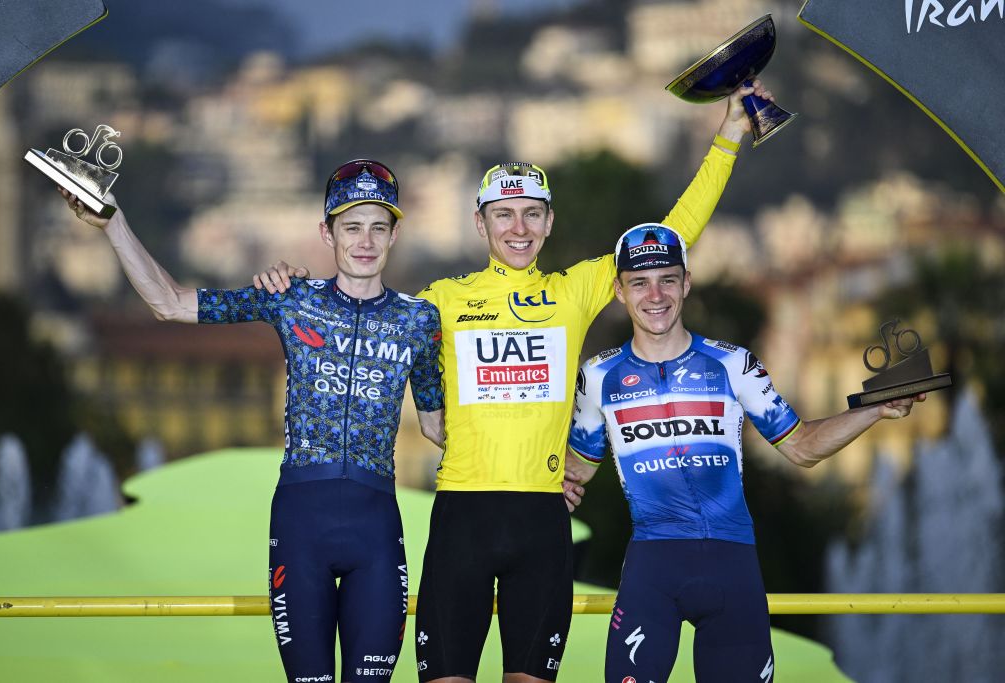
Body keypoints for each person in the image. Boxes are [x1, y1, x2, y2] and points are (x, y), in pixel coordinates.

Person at [255, 81, 774, 683]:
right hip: (461, 518)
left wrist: (730, 136)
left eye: (531, 214)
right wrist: (291, 282)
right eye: (503, 214)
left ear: (550, 222)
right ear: (481, 224)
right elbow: (359, 301)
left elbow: (674, 234)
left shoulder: (572, 292)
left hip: (541, 522)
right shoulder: (441, 302)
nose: (518, 227)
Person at [58, 158, 445, 683]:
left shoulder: (418, 319)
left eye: (379, 226)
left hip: (376, 531)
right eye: (351, 226)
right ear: (326, 231)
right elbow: (169, 304)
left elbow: (438, 427)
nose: (365, 240)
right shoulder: (288, 298)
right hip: (300, 525)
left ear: (396, 234)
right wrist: (113, 223)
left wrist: (537, 465)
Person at [566, 223, 925, 683]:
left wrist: (874, 411)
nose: (655, 295)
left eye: (667, 279)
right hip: (652, 570)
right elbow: (575, 468)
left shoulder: (733, 363)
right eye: (639, 282)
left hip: (731, 567)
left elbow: (801, 447)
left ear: (686, 283)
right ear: (619, 291)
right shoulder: (598, 376)